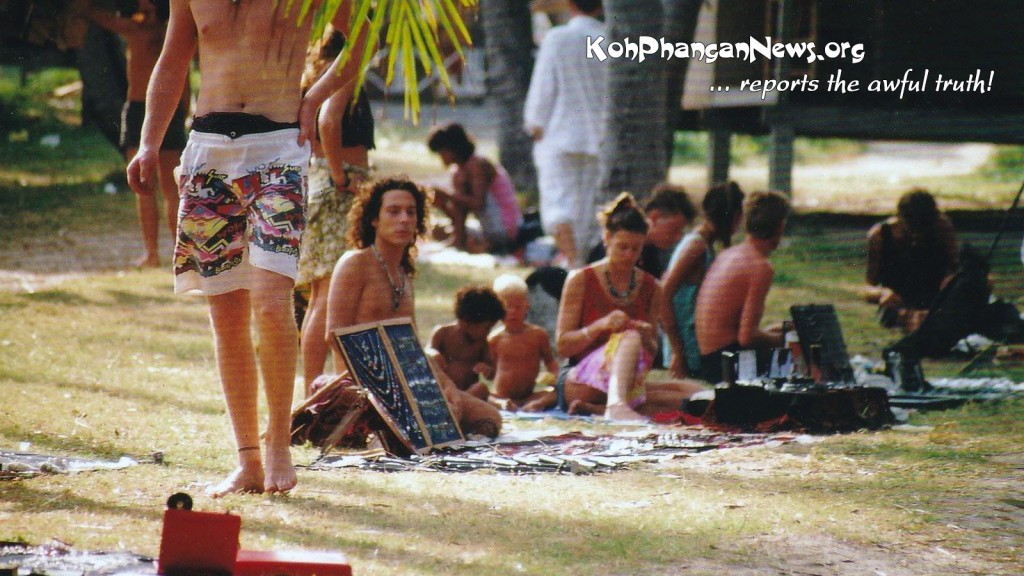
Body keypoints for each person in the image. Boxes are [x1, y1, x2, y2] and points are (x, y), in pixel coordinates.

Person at [126, 0, 360, 497]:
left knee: (272, 302)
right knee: (225, 313)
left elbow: (364, 39)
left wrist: (314, 97)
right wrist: (149, 142)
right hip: (208, 150)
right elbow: (171, 59)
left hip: (277, 148)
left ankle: (277, 441)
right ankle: (247, 460)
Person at [325, 177, 502, 438]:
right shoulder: (355, 263)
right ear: (374, 219)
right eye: (393, 212)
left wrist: (446, 387)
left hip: (407, 381)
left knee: (488, 416)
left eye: (411, 212)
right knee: (423, 422)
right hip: (362, 386)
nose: (404, 219)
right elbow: (333, 336)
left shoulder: (405, 275)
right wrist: (393, 387)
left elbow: (412, 349)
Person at [556, 193, 706, 421]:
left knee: (696, 394)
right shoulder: (581, 280)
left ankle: (597, 409)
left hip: (625, 381)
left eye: (635, 249)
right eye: (622, 247)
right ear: (607, 238)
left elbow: (652, 351)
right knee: (628, 337)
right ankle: (615, 406)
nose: (629, 255)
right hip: (580, 379)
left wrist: (646, 337)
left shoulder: (651, 287)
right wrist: (600, 327)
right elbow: (563, 346)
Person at [297, 25, 375, 395]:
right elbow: (328, 120)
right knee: (332, 294)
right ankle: (321, 388)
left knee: (319, 296)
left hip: (318, 181)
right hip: (338, 184)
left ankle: (315, 387)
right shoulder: (345, 69)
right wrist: (342, 176)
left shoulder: (316, 71)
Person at [88, 0, 188, 268]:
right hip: (146, 108)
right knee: (152, 187)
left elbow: (97, 14)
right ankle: (155, 253)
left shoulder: (151, 30)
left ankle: (167, 253)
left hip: (161, 110)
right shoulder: (157, 31)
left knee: (164, 187)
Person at [524, 0, 606, 268]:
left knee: (559, 204)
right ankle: (581, 263)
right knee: (587, 209)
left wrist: (535, 120)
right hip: (598, 137)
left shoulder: (558, 38)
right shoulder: (609, 39)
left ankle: (572, 264)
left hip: (559, 134)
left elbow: (544, 85)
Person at [694, 191, 791, 384]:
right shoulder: (760, 266)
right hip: (727, 366)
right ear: (780, 226)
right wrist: (787, 339)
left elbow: (740, 330)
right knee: (802, 355)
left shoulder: (728, 254)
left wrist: (778, 331)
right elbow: (747, 337)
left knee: (786, 334)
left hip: (709, 359)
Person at [660, 182, 745, 378]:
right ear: (733, 217)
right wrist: (678, 353)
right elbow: (664, 295)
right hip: (686, 345)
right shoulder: (696, 247)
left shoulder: (706, 244)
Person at [865, 189, 958, 332]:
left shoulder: (942, 227)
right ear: (900, 218)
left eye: (923, 230)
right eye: (911, 229)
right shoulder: (880, 235)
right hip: (899, 302)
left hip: (936, 299)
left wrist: (952, 281)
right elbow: (868, 288)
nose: (917, 236)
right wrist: (883, 293)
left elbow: (956, 268)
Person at [426, 123, 522, 254]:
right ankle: (460, 241)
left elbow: (478, 203)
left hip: (504, 229)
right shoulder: (459, 171)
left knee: (456, 232)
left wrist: (447, 195)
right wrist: (442, 204)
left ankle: (470, 243)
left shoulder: (478, 165)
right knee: (435, 230)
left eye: (442, 152)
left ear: (453, 149)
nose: (441, 157)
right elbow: (459, 214)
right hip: (487, 228)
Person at [587, 183, 697, 279]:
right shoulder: (606, 252)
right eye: (674, 230)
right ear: (654, 217)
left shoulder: (652, 255)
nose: (678, 237)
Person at [489, 274, 560, 412]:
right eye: (506, 308)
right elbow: (491, 372)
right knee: (483, 394)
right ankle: (502, 405)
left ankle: (537, 404)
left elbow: (550, 362)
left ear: (527, 306)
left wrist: (557, 377)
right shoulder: (495, 338)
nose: (512, 312)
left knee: (558, 393)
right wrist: (485, 369)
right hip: (501, 395)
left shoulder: (538, 334)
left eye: (518, 307)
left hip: (529, 396)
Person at [426, 286, 506, 401]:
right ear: (466, 322)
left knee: (481, 388)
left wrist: (487, 370)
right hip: (444, 391)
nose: (487, 334)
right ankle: (453, 402)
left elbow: (493, 374)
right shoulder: (442, 333)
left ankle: (458, 403)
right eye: (486, 328)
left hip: (467, 393)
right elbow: (426, 352)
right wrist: (432, 353)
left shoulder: (482, 343)